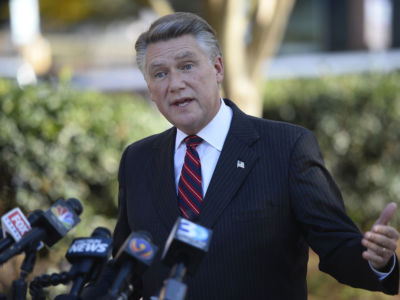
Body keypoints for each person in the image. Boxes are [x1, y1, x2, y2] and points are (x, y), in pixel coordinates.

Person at [112, 12, 399, 299]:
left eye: (187, 66)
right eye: (160, 73)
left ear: (218, 68)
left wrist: (377, 261)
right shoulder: (137, 160)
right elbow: (123, 272)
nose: (175, 84)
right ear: (150, 88)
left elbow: (337, 247)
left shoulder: (287, 147)